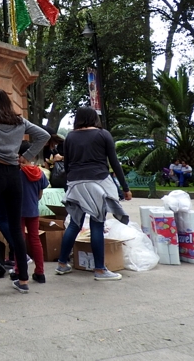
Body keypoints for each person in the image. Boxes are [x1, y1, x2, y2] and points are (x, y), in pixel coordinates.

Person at [0, 88, 50, 296]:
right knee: (16, 228)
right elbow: (44, 135)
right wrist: (28, 156)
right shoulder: (19, 121)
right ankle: (23, 279)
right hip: (14, 174)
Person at [55, 106, 131, 281]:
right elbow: (114, 162)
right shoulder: (103, 134)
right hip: (97, 182)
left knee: (74, 224)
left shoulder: (70, 138)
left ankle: (61, 264)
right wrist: (125, 188)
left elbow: (67, 166)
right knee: (97, 223)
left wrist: (70, 185)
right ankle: (100, 270)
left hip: (75, 183)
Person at [18, 153, 49, 283]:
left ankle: (18, 270)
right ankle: (40, 272)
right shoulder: (40, 173)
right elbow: (40, 195)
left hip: (17, 211)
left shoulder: (17, 172)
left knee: (19, 240)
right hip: (33, 210)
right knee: (35, 240)